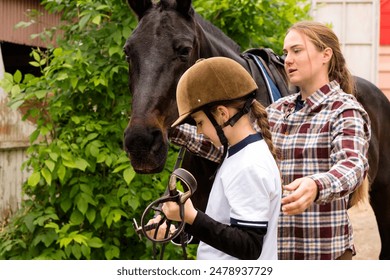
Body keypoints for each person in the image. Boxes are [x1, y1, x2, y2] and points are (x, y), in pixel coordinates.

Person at [169, 21, 371, 260]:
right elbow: (230, 146)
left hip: (322, 254)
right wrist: (170, 130)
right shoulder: (277, 110)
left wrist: (317, 186)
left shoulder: (345, 110)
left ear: (326, 55)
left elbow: (353, 165)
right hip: (276, 257)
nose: (288, 59)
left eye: (297, 50)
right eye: (285, 53)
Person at [150, 57, 282, 260]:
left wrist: (192, 217)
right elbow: (225, 229)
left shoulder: (249, 165)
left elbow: (249, 246)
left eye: (200, 122)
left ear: (222, 114)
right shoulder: (237, 154)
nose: (200, 131)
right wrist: (179, 229)